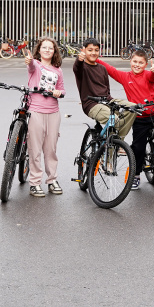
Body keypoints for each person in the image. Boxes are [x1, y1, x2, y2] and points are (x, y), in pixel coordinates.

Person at [98, 49, 154, 190]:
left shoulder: (148, 74)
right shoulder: (125, 77)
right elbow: (110, 69)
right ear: (130, 61)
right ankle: (136, 175)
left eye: (141, 62)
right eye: (135, 61)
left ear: (146, 64)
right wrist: (96, 58)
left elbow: (153, 76)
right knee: (138, 148)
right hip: (139, 117)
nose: (137, 65)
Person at [24, 37, 66, 197]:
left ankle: (52, 180)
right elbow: (31, 65)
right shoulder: (35, 66)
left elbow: (62, 89)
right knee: (34, 150)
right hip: (35, 111)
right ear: (39, 50)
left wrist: (59, 93)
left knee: (51, 150)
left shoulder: (58, 70)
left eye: (51, 48)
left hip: (54, 113)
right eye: (44, 48)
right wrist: (29, 61)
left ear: (54, 51)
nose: (48, 50)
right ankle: (35, 182)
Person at [73, 38, 137, 140]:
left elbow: (106, 89)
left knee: (134, 108)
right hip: (92, 104)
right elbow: (77, 67)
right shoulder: (82, 67)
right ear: (83, 50)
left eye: (96, 50)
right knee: (114, 120)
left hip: (107, 101)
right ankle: (113, 145)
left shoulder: (102, 68)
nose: (93, 53)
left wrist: (114, 104)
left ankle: (118, 141)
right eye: (90, 50)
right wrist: (79, 60)